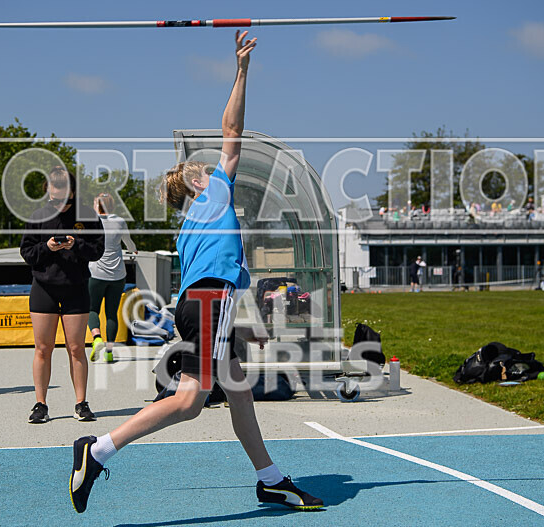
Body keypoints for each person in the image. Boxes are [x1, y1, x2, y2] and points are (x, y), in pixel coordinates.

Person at [68, 31, 323, 514]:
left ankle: (269, 477)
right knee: (188, 401)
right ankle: (96, 450)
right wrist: (243, 69)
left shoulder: (190, 227)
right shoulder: (214, 192)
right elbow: (232, 131)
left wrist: (239, 324)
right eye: (203, 169)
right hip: (208, 305)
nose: (214, 167)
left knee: (240, 389)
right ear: (196, 184)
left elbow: (211, 283)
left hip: (201, 305)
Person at [20, 166, 104, 423]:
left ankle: (81, 403)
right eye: (55, 198)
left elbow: (97, 250)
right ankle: (40, 404)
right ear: (48, 192)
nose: (60, 203)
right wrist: (47, 247)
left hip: (76, 288)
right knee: (43, 348)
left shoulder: (87, 216)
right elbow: (27, 253)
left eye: (65, 199)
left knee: (77, 348)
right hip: (44, 288)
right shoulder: (38, 216)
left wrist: (75, 244)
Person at [88, 192, 137, 363]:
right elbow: (129, 244)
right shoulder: (120, 221)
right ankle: (109, 351)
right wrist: (134, 250)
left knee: (92, 308)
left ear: (98, 205)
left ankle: (97, 339)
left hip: (96, 273)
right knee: (111, 313)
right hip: (117, 275)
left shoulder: (92, 222)